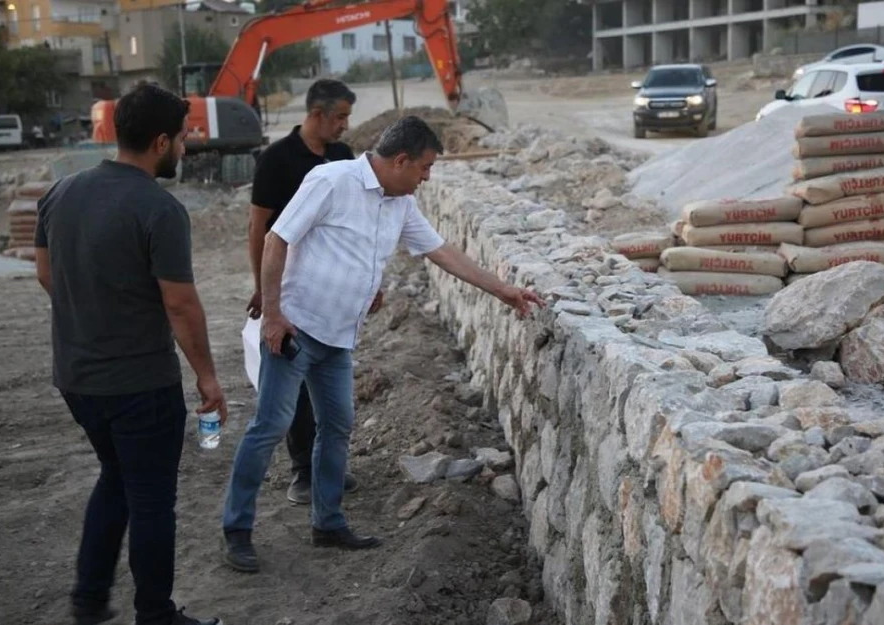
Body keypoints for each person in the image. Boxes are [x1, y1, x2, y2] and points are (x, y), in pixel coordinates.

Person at [221, 115, 546, 573]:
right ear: (400, 160)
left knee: (336, 426)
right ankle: (236, 530)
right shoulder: (332, 180)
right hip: (296, 330)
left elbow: (443, 252)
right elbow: (277, 239)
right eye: (425, 167)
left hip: (338, 339)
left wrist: (504, 290)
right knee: (270, 427)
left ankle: (327, 522)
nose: (427, 177)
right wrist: (273, 314)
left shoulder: (399, 203)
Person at [34, 82, 225, 625]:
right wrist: (209, 379)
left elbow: (46, 273)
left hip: (77, 379)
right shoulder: (158, 209)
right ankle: (155, 613)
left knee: (114, 476)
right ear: (161, 141)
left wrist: (93, 314)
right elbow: (181, 306)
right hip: (141, 385)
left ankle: (90, 597)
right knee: (150, 501)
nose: (185, 150)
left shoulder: (62, 192)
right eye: (184, 139)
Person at [246, 78, 364, 506]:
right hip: (288, 285)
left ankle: (328, 468)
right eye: (341, 117)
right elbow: (260, 227)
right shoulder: (277, 159)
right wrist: (263, 289)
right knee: (291, 384)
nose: (345, 126)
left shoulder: (341, 157)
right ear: (317, 114)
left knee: (328, 386)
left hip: (329, 292)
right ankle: (302, 471)